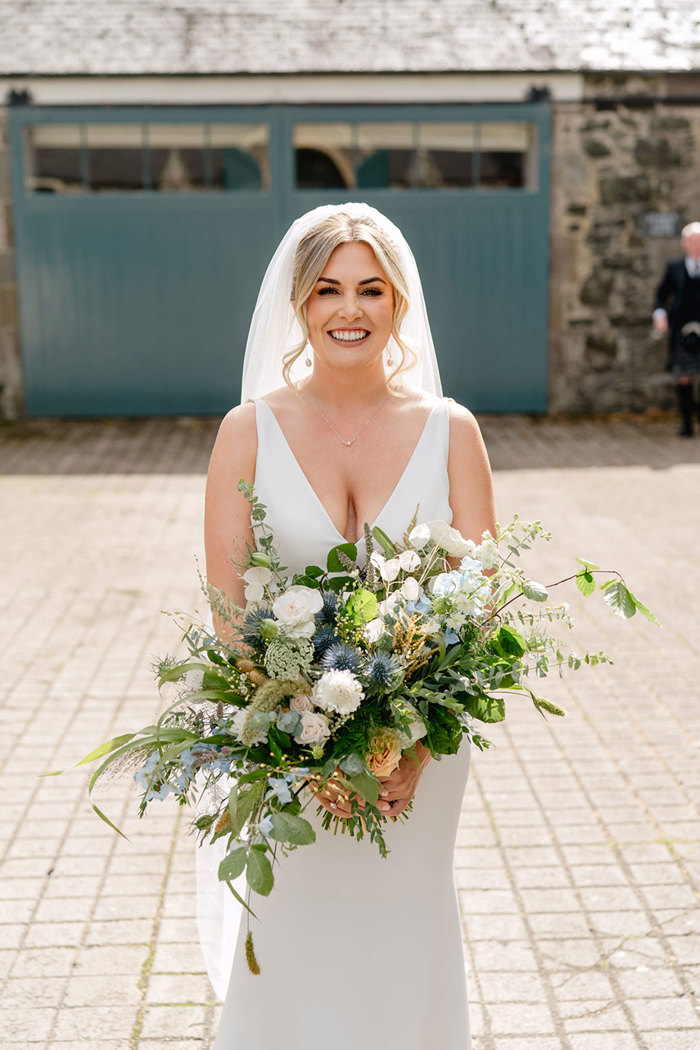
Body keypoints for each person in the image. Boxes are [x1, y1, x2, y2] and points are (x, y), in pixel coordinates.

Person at [203, 203, 496, 1049]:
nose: (350, 309)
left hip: (421, 752)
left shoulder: (451, 432)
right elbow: (230, 610)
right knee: (293, 934)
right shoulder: (247, 433)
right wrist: (306, 743)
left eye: (371, 289)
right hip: (287, 744)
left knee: (405, 925)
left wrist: (414, 745)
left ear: (398, 303)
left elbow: (475, 611)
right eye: (328, 289)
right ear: (299, 303)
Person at [653, 220, 700, 437]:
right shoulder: (675, 268)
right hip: (682, 330)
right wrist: (660, 315)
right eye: (691, 241)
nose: (695, 245)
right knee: (684, 376)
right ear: (684, 244)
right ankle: (687, 424)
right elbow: (661, 296)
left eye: (699, 241)